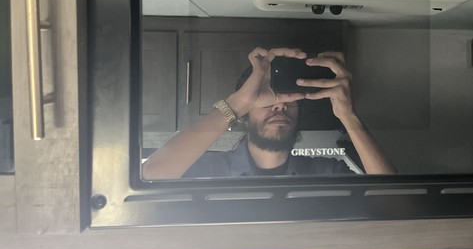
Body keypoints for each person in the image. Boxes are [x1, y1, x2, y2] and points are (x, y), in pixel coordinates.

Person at [142, 47, 396, 179]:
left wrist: (348, 115)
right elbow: (151, 175)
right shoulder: (208, 170)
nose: (279, 105)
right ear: (245, 113)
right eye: (269, 98)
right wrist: (236, 103)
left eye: (290, 98)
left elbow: (392, 198)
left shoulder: (325, 172)